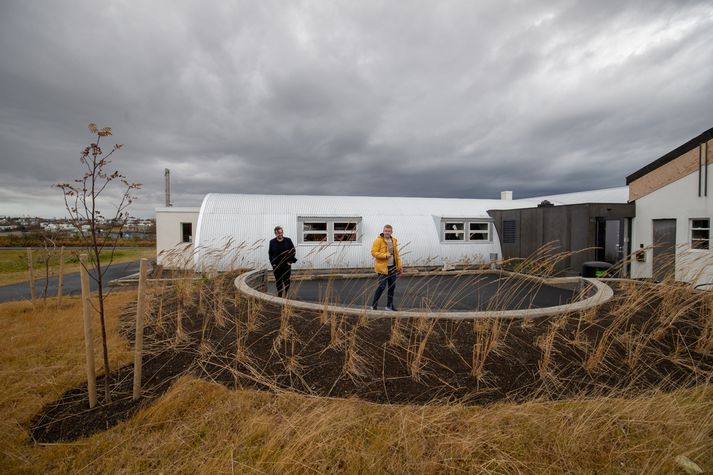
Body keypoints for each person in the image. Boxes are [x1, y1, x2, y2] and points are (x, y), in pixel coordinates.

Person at [370, 224, 403, 310]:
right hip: (382, 268)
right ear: (383, 231)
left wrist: (400, 266)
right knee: (382, 286)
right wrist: (384, 255)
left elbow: (397, 255)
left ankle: (389, 306)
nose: (387, 232)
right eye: (386, 231)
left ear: (391, 232)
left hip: (392, 267)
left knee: (392, 287)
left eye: (389, 231)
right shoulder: (378, 241)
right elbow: (373, 252)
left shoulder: (394, 240)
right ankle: (373, 305)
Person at [268, 226, 297, 298]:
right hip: (277, 266)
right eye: (278, 233)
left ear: (282, 232)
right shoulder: (272, 242)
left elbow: (293, 251)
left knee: (286, 281)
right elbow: (270, 253)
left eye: (281, 232)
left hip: (286, 265)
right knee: (278, 282)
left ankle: (286, 294)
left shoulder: (288, 240)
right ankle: (280, 295)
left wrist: (290, 261)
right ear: (275, 234)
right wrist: (273, 264)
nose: (280, 234)